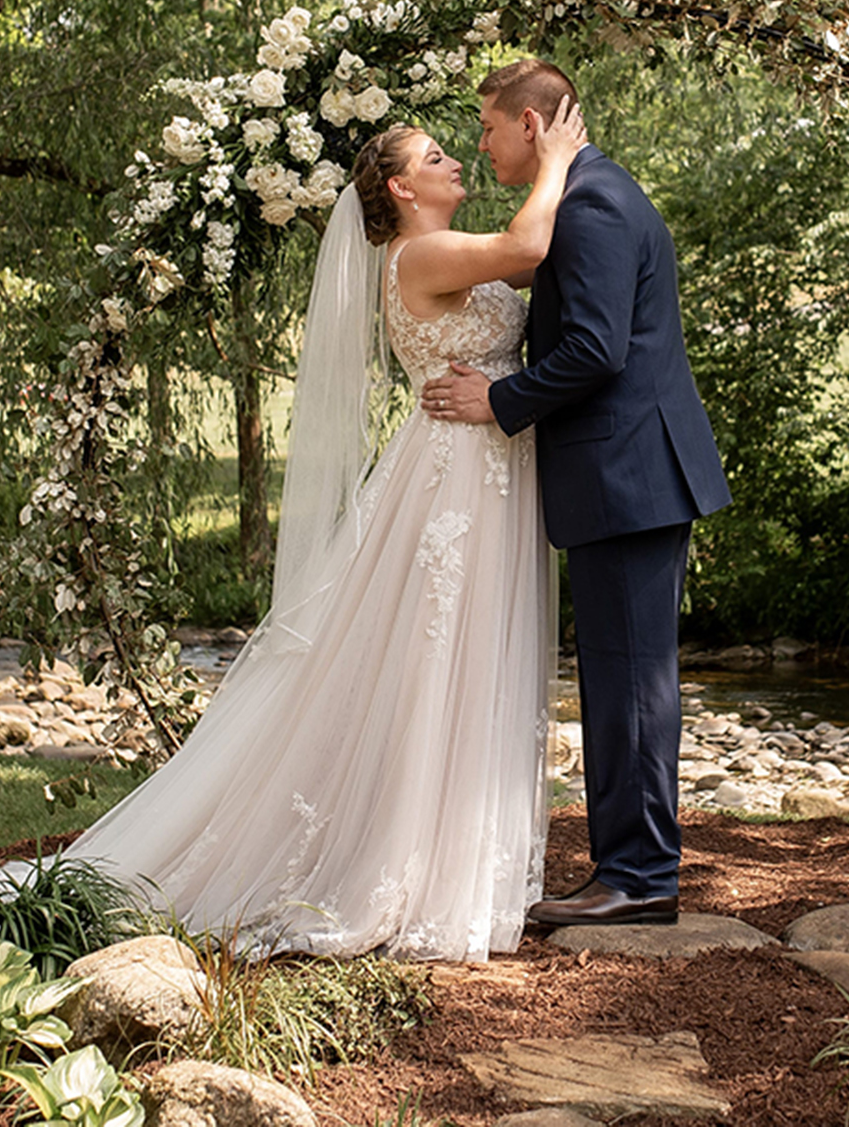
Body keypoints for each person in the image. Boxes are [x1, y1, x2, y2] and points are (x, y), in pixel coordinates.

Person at [62, 101, 587, 961]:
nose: (456, 161)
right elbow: (529, 249)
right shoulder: (418, 254)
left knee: (462, 653)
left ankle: (459, 855)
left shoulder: (442, 251)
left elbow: (531, 260)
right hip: (456, 477)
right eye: (436, 156)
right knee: (439, 655)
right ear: (400, 187)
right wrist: (559, 156)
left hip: (482, 464)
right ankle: (410, 863)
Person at [422, 59, 731, 927]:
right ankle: (631, 867)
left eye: (485, 127)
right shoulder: (589, 191)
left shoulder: (592, 204)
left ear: (529, 124)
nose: (479, 145)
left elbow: (595, 349)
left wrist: (498, 399)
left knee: (631, 683)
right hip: (628, 474)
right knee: (621, 677)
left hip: (628, 475)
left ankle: (638, 878)